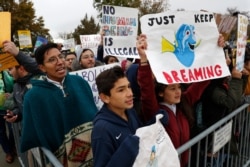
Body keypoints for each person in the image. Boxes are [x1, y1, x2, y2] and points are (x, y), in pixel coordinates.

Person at [136, 34, 225, 167]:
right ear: (160, 92)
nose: (178, 92)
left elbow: (202, 81)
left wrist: (214, 50)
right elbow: (146, 89)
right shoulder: (155, 112)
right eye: (172, 89)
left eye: (179, 87)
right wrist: (143, 59)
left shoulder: (184, 104)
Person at [20, 43, 98, 167]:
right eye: (52, 60)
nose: (60, 62)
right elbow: (33, 134)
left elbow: (94, 114)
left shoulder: (81, 82)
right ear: (42, 67)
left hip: (96, 153)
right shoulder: (33, 97)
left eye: (61, 57)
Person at [91, 66, 167, 167]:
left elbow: (139, 134)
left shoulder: (129, 111)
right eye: (121, 90)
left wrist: (154, 123)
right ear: (105, 97)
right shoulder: (102, 130)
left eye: (129, 87)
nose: (130, 93)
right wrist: (127, 150)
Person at [0, 70, 15, 164]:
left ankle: (12, 147)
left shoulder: (4, 70)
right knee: (1, 132)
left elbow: (11, 85)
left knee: (13, 128)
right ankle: (8, 151)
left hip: (8, 105)